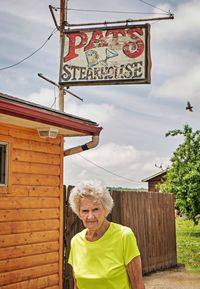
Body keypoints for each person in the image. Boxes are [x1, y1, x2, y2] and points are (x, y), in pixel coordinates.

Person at [68, 180, 145, 289]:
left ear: (105, 209)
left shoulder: (124, 236)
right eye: (85, 211)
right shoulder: (76, 241)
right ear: (78, 213)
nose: (90, 217)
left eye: (95, 209)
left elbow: (138, 285)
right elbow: (77, 285)